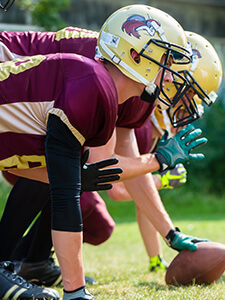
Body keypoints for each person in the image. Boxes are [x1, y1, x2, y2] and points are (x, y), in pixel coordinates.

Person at [0, 4, 203, 299]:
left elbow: (85, 175)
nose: (172, 78)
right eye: (166, 61)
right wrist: (158, 161)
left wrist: (170, 232)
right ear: (135, 54)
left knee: (70, 175)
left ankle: (29, 261)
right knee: (74, 182)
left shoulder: (121, 87)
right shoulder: (93, 77)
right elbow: (101, 168)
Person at [107, 31, 223, 273]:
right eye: (190, 93)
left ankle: (155, 259)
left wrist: (167, 239)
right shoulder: (138, 108)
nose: (191, 104)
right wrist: (163, 179)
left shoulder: (154, 115)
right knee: (98, 223)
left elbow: (141, 193)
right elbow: (117, 187)